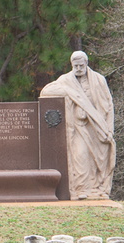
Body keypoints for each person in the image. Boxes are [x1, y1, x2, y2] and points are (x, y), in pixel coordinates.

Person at [40, 51, 115, 200]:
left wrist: (109, 129)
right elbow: (45, 91)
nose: (79, 68)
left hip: (97, 127)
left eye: (81, 65)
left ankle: (97, 189)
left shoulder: (99, 80)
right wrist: (68, 91)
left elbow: (109, 106)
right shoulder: (66, 80)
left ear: (86, 64)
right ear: (71, 65)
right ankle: (81, 189)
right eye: (76, 66)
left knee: (98, 160)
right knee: (80, 156)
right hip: (78, 127)